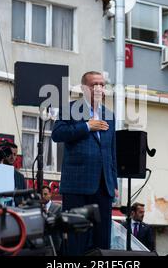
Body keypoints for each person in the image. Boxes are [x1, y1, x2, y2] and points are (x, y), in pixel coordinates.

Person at [51, 71, 118, 256]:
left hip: (104, 185)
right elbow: (58, 134)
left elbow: (112, 152)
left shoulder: (109, 115)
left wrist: (114, 182)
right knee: (76, 238)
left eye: (102, 84)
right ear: (83, 88)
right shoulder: (70, 108)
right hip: (77, 184)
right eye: (93, 84)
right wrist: (88, 126)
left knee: (102, 240)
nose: (98, 88)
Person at [42, 185, 62, 254]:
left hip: (54, 244)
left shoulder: (58, 207)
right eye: (41, 195)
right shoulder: (36, 208)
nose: (43, 196)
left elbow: (59, 222)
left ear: (50, 194)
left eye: (45, 194)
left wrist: (48, 213)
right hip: (40, 245)